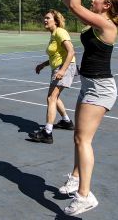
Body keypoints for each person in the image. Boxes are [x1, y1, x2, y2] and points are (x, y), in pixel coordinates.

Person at [39, 0, 118, 216]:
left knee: (82, 139)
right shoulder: (96, 20)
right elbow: (70, 2)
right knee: (79, 138)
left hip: (100, 88)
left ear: (106, 5)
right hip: (89, 85)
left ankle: (85, 195)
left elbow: (74, 5)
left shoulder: (106, 25)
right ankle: (76, 179)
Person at [28, 9, 76, 144]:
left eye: (48, 18)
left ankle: (47, 133)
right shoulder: (53, 34)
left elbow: (71, 51)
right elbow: (56, 55)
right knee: (54, 97)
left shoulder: (60, 32)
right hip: (58, 67)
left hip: (64, 68)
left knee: (51, 98)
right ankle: (66, 122)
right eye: (44, 18)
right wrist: (43, 64)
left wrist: (63, 71)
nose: (45, 20)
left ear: (55, 21)